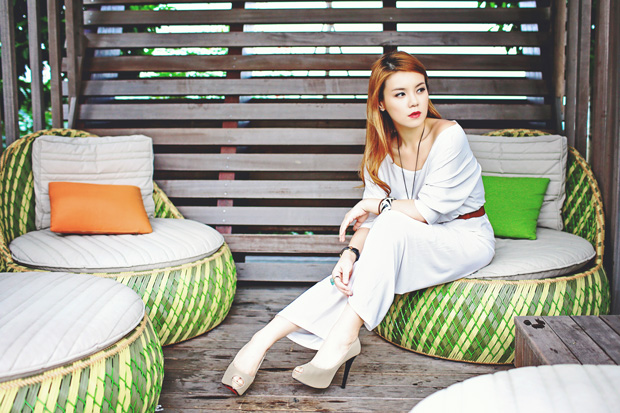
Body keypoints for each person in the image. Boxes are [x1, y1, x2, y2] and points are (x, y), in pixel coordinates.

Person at [221, 51, 495, 395]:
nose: (414, 101)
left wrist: (374, 204)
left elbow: (426, 211)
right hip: (411, 238)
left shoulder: (449, 136)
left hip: (465, 238)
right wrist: (350, 254)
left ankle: (339, 338)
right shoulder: (380, 151)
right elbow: (378, 222)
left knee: (390, 227)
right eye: (400, 94)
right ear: (380, 103)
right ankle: (263, 340)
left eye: (420, 89)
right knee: (354, 273)